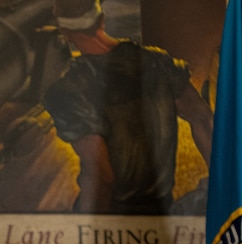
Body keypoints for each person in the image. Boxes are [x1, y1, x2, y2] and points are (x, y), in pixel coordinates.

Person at [43, 0, 214, 215]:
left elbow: (100, 176)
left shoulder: (68, 91)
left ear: (65, 33)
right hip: (162, 208)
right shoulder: (158, 62)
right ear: (101, 22)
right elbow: (203, 119)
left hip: (115, 217)